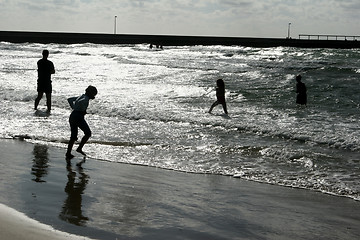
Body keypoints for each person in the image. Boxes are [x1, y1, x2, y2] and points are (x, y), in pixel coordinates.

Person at [65, 86, 98, 159]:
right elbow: (81, 102)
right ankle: (79, 148)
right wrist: (82, 110)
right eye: (94, 94)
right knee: (88, 133)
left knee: (73, 136)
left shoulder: (81, 96)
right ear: (90, 93)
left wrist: (74, 107)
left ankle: (68, 153)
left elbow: (70, 99)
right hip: (78, 117)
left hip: (73, 115)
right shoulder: (85, 99)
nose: (94, 96)